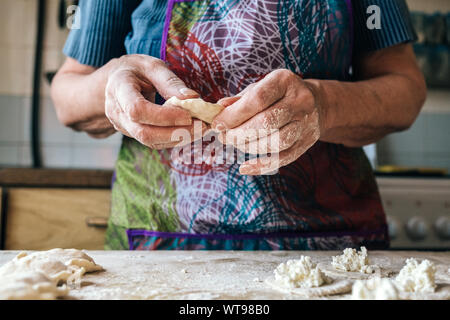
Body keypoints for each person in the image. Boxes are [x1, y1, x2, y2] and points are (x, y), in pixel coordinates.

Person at [51, 0, 426, 250]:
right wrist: (113, 80)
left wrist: (324, 104)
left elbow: (405, 89)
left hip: (327, 245)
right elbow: (67, 94)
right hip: (160, 239)